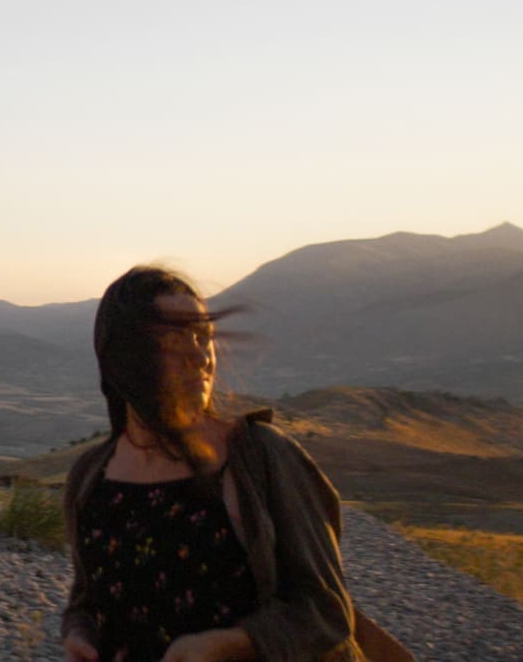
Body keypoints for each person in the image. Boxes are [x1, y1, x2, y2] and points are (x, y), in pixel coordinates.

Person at [61, 266, 405, 662]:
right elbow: (87, 596)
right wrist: (78, 630)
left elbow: (325, 610)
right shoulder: (91, 477)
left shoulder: (259, 458)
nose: (199, 356)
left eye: (203, 336)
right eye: (174, 339)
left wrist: (234, 643)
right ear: (123, 358)